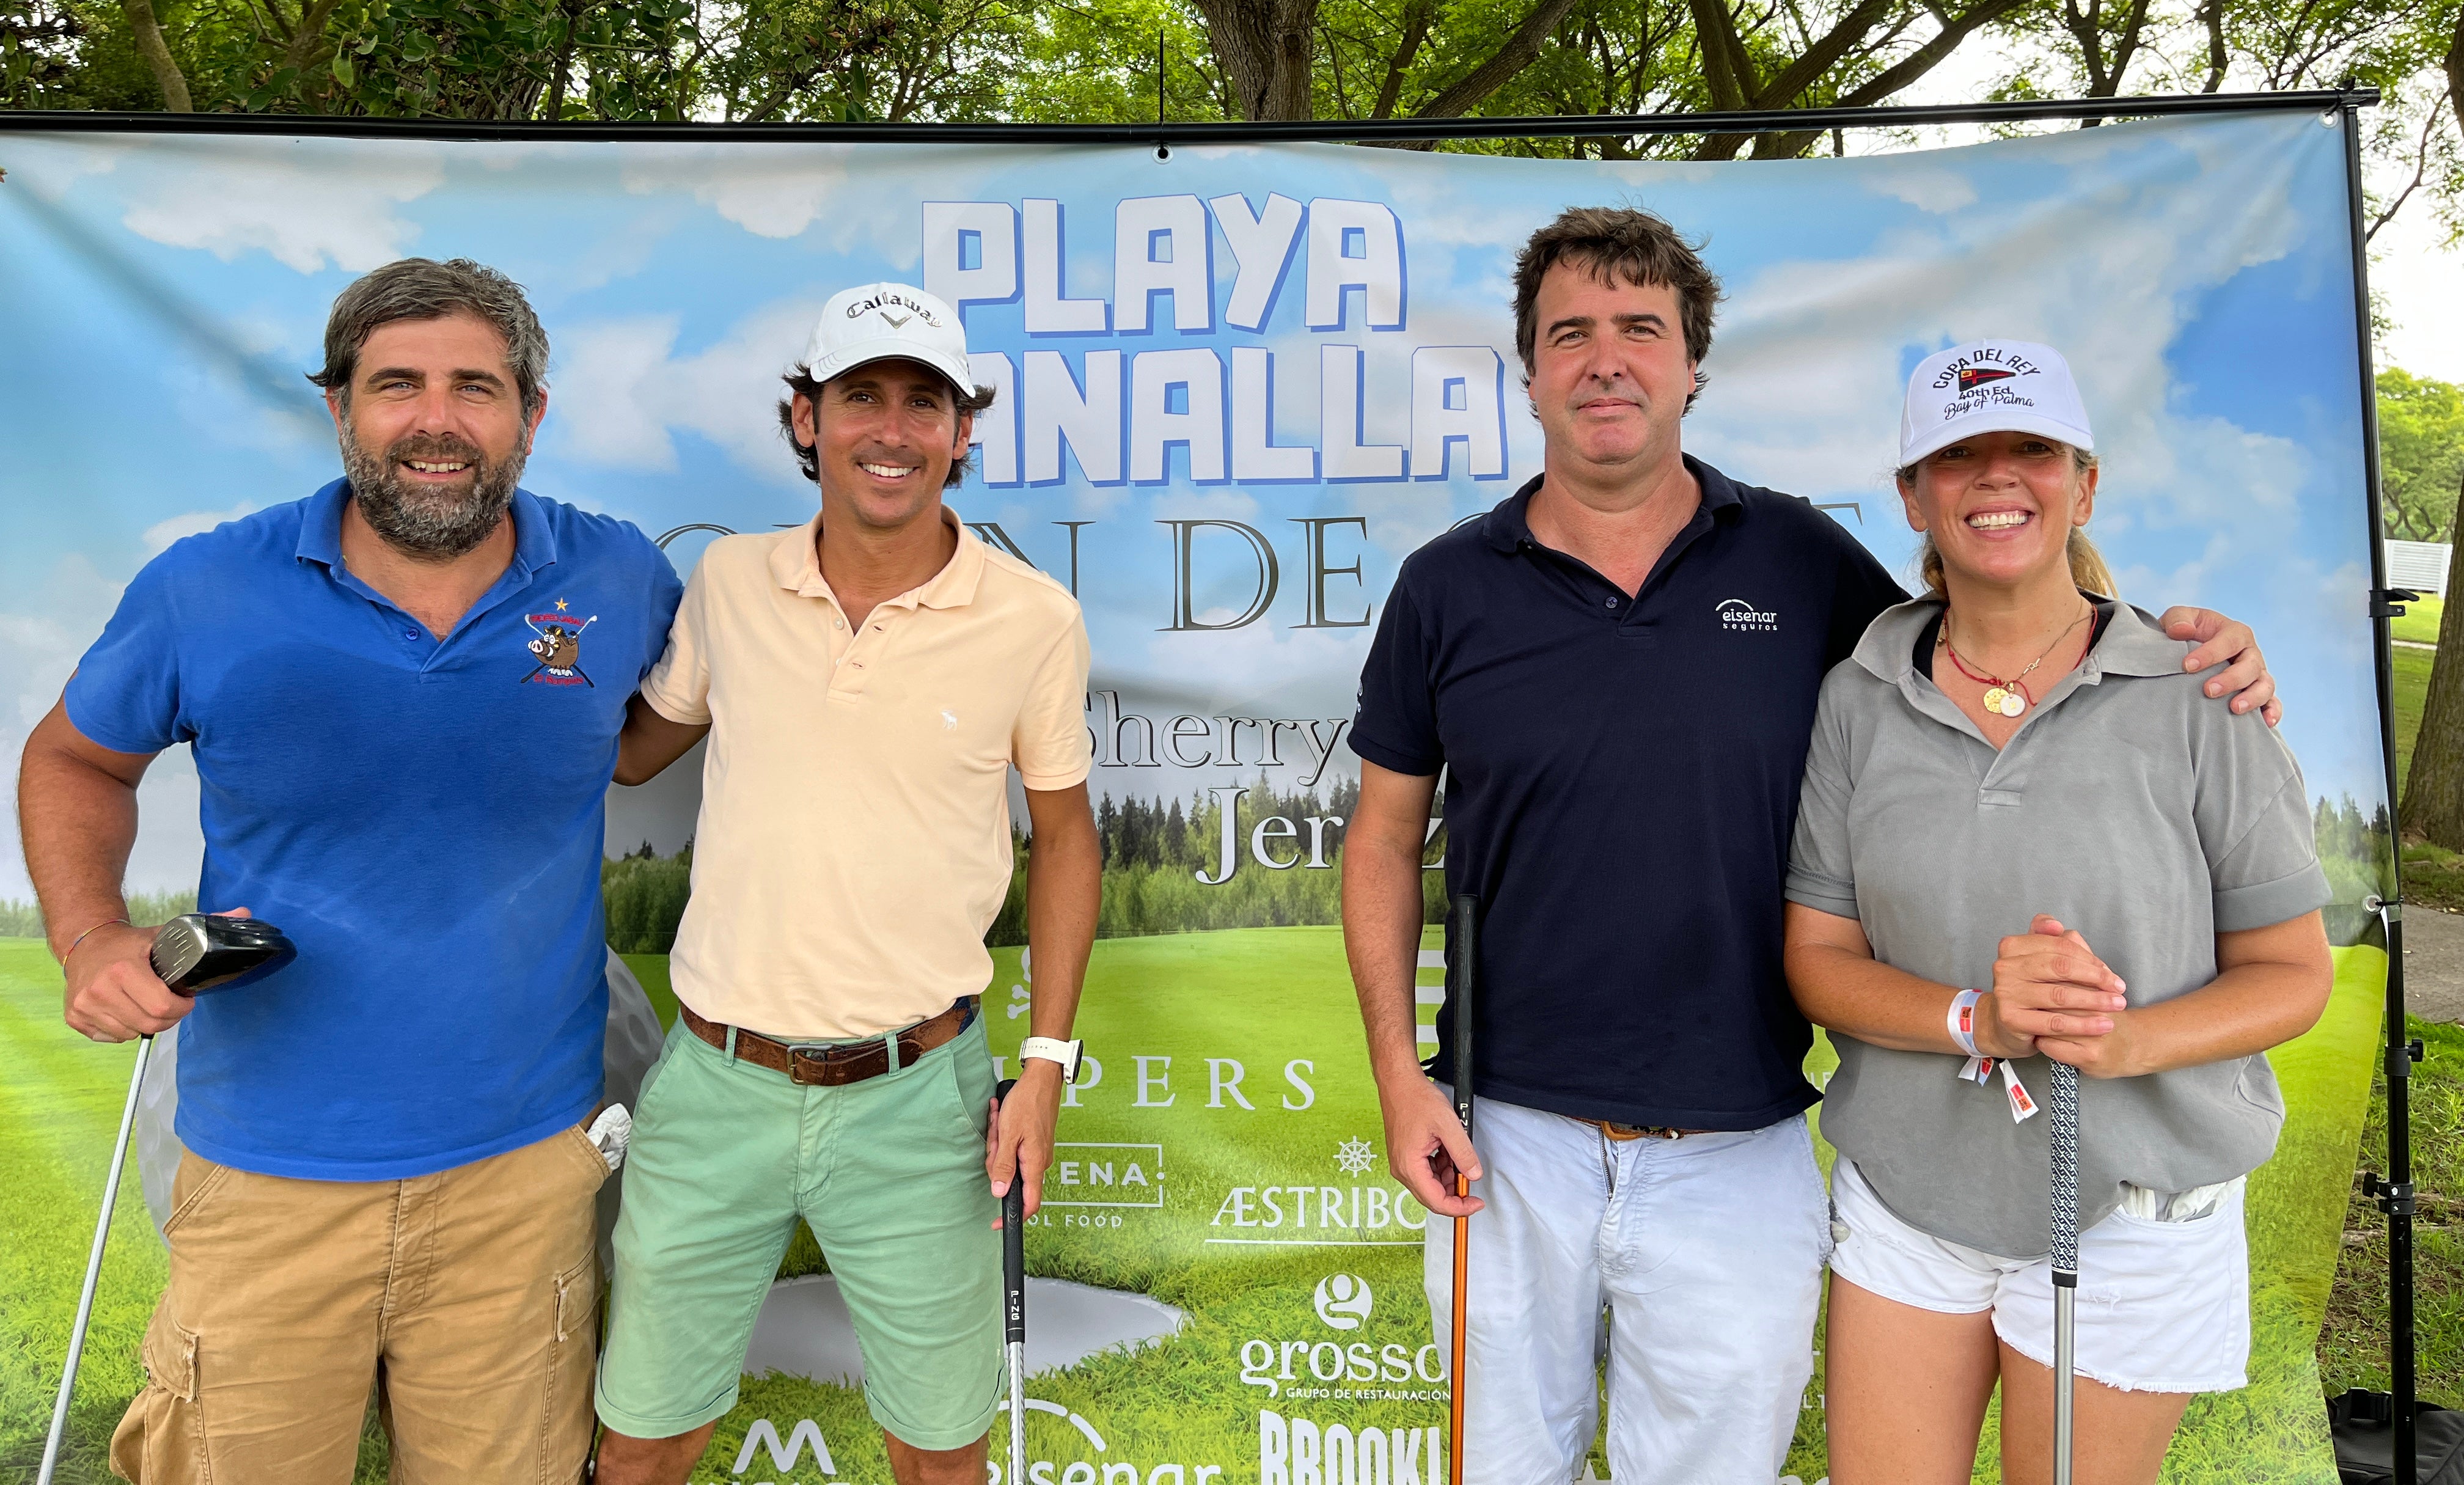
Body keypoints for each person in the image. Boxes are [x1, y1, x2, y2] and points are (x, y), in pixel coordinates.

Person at [1338, 209, 2283, 1485]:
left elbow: (1997, 624)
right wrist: (1401, 1078)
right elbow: (1386, 843)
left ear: (1692, 369)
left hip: (1743, 1140)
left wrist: (2190, 656)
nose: (1605, 359)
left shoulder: (1796, 557)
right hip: (1504, 1133)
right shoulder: (1448, 586)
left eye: (1640, 330)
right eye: (1571, 334)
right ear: (1530, 372)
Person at [17, 258, 681, 1485]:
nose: (436, 421)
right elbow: (72, 763)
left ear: (533, 413)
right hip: (268, 1175)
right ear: (340, 407)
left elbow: (666, 723)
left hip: (525, 1176)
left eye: (475, 386)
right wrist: (90, 937)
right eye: (398, 386)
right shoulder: (205, 588)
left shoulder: (619, 579)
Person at [1783, 340, 2333, 1485]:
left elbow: (2293, 974)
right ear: (1913, 498)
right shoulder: (1859, 695)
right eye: (1958, 456)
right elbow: (1821, 959)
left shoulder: (2200, 689)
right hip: (1909, 1192)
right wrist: (1977, 1018)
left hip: (2131, 1204)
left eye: (2031, 449)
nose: (1996, 479)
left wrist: (2124, 1040)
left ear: (2082, 484)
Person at [592, 280, 1102, 1485]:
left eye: (923, 402)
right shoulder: (730, 584)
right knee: (641, 1442)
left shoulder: (1034, 618)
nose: (891, 428)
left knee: (940, 1455)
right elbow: (625, 751)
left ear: (962, 429)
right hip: (715, 1088)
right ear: (806, 418)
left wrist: (1047, 1064)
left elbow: (1069, 838)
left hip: (922, 1104)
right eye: (859, 395)